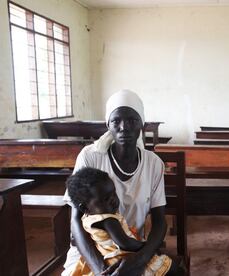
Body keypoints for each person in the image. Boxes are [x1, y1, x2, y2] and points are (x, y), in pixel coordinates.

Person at [62, 89, 179, 275]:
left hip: (132, 250)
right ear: (107, 124)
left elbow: (159, 221)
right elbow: (76, 220)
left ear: (143, 125)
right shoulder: (91, 157)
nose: (124, 127)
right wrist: (102, 270)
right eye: (116, 121)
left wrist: (140, 260)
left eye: (132, 120)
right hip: (90, 251)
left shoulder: (153, 164)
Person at [66, 167, 181, 275]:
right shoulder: (108, 220)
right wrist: (145, 246)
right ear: (84, 208)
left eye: (113, 193)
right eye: (106, 199)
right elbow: (124, 242)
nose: (113, 200)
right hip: (123, 260)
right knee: (173, 268)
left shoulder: (88, 219)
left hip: (108, 259)